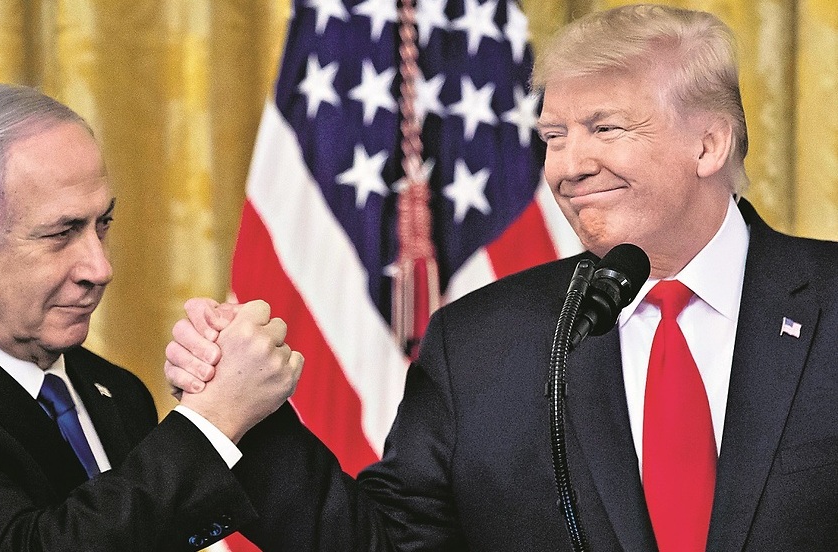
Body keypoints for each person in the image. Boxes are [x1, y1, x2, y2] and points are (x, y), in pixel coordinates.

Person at [166, 4, 838, 551]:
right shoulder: (482, 343)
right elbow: (386, 544)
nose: (567, 167)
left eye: (604, 127)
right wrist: (247, 418)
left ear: (708, 143)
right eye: (552, 136)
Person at [0, 83, 303, 552]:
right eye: (62, 233)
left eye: (102, 225)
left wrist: (235, 402)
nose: (101, 268)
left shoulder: (117, 392)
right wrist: (213, 420)